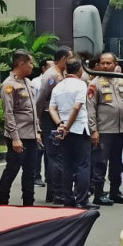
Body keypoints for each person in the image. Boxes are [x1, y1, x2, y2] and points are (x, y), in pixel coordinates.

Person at [49, 57, 99, 210]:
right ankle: (82, 200)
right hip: (78, 129)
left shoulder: (58, 87)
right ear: (80, 70)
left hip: (64, 130)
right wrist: (68, 126)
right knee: (83, 165)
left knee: (67, 165)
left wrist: (61, 125)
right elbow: (77, 107)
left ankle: (68, 199)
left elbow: (52, 108)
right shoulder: (81, 84)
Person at [0, 50, 40, 206]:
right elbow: (8, 113)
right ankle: (3, 201)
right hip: (18, 136)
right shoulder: (9, 85)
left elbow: (32, 110)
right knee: (12, 170)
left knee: (30, 171)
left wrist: (38, 131)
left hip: (32, 135)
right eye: (30, 63)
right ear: (21, 64)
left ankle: (29, 202)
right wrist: (15, 138)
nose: (32, 66)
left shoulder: (28, 83)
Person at [87, 52, 123, 205]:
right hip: (104, 131)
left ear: (115, 64)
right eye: (102, 63)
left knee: (117, 164)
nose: (105, 66)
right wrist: (93, 130)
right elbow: (90, 108)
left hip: (121, 130)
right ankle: (98, 195)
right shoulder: (95, 83)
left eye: (108, 63)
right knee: (100, 164)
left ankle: (114, 192)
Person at [35, 46, 72, 203]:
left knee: (59, 156)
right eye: (70, 58)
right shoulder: (50, 75)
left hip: (59, 116)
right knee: (55, 155)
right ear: (63, 58)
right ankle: (57, 193)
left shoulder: (61, 74)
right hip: (49, 117)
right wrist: (37, 122)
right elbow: (40, 99)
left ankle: (53, 192)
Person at [31, 58, 53, 188]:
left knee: (49, 149)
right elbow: (36, 102)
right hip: (40, 116)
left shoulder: (55, 79)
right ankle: (36, 175)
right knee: (38, 149)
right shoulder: (36, 82)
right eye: (50, 67)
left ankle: (49, 177)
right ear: (44, 68)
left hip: (50, 116)